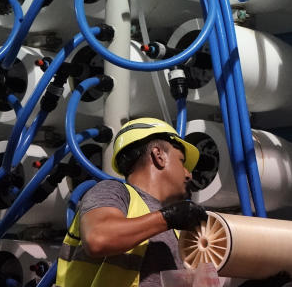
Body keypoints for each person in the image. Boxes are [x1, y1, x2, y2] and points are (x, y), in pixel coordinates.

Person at [56, 117, 209, 287]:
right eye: (182, 161)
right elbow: (98, 238)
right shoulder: (113, 191)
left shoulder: (176, 230)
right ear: (158, 155)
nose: (189, 174)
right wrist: (168, 217)